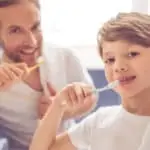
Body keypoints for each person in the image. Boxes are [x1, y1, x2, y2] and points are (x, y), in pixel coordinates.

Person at [30, 12, 150, 150]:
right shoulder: (100, 121)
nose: (118, 67)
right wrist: (58, 105)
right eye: (110, 60)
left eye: (132, 54)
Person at [0, 0, 94, 149]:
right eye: (15, 31)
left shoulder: (65, 56)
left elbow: (92, 97)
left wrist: (63, 111)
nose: (31, 42)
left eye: (35, 27)